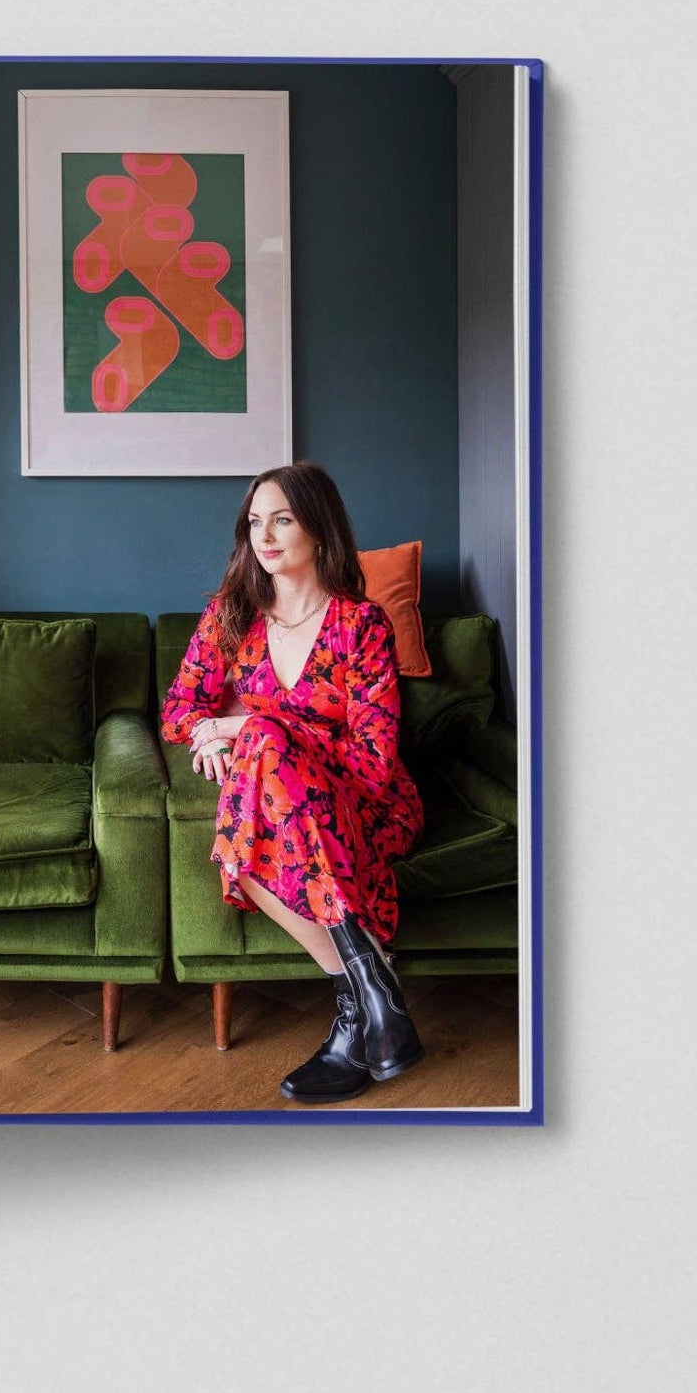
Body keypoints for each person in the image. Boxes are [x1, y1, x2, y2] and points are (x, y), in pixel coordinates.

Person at [160, 460, 426, 1102]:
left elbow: (371, 759)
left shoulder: (360, 625)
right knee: (249, 810)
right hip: (280, 811)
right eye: (255, 521)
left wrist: (247, 726)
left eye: (282, 518)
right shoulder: (233, 615)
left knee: (259, 748)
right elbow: (178, 707)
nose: (265, 535)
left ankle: (356, 1009)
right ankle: (371, 991)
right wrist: (208, 730)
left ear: (318, 527)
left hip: (364, 803)